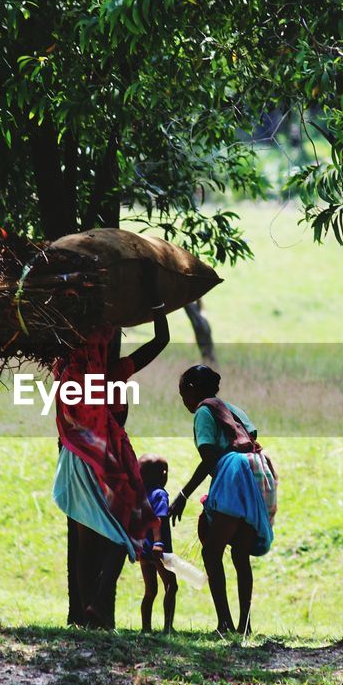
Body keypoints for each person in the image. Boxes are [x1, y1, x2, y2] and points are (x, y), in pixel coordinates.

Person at [53, 267, 169, 629]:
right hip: (106, 463)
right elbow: (159, 342)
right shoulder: (110, 374)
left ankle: (92, 607)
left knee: (90, 539)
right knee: (120, 531)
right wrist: (157, 305)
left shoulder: (65, 369)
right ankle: (98, 603)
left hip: (77, 460)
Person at [170, 365, 277, 635]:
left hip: (234, 473)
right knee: (240, 553)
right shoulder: (234, 409)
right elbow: (250, 440)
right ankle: (245, 625)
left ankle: (225, 624)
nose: (183, 401)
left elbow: (210, 459)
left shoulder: (204, 411)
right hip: (259, 469)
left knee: (211, 552)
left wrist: (183, 495)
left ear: (192, 389)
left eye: (183, 394)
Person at [137, 454, 178, 633]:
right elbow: (158, 519)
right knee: (171, 585)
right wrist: (159, 542)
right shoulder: (160, 494)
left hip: (143, 549)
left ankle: (146, 628)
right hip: (158, 550)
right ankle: (168, 627)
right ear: (163, 474)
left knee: (150, 591)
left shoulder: (139, 495)